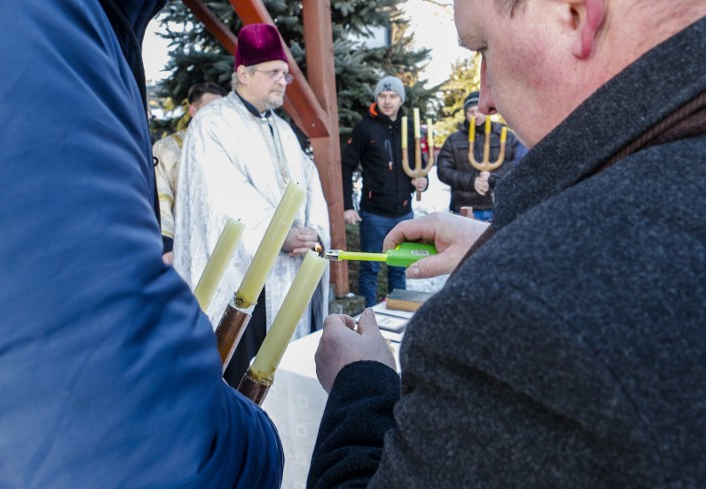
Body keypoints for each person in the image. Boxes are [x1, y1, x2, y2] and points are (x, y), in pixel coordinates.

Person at [0, 2, 283, 488]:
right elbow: (109, 439)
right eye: (272, 71)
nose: (281, 82)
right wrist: (260, 440)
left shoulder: (76, 26)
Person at [310, 1, 706, 487]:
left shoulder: (514, 316)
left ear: (577, 15)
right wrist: (499, 242)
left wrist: (360, 382)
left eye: (483, 46)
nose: (485, 100)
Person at [173, 23, 330, 387]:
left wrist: (312, 233)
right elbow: (223, 196)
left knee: (279, 383)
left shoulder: (283, 130)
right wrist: (278, 236)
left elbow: (309, 186)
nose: (282, 81)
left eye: (285, 74)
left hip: (286, 277)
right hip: (241, 287)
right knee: (237, 383)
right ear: (243, 74)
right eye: (273, 72)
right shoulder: (213, 125)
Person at [341, 76, 427, 307]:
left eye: (393, 96)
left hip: (403, 213)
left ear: (401, 99)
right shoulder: (365, 128)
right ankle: (369, 319)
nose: (387, 101)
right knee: (370, 268)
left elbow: (421, 164)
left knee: (398, 268)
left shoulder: (410, 128)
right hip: (374, 214)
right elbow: (346, 165)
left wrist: (423, 182)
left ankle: (396, 313)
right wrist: (348, 205)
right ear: (376, 98)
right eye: (382, 96)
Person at [154, 82, 228, 264]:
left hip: (228, 247)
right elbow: (161, 197)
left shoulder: (231, 148)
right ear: (193, 112)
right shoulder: (167, 148)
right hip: (185, 248)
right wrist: (166, 245)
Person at [437, 91, 525, 221]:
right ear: (465, 114)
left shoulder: (505, 135)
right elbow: (443, 171)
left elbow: (520, 162)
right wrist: (472, 181)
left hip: (498, 204)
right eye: (470, 112)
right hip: (466, 207)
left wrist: (494, 176)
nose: (475, 115)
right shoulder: (454, 140)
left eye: (479, 111)